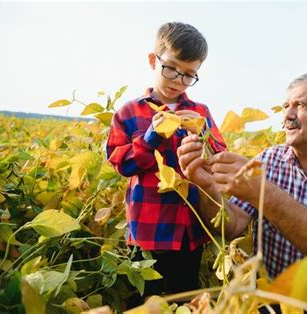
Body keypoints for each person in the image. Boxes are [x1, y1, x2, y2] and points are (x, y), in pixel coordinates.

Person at [177, 73, 307, 312]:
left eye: (300, 105)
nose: (287, 115)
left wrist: (264, 193)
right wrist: (208, 189)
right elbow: (231, 225)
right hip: (269, 297)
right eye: (286, 106)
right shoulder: (268, 159)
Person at [106, 22, 226, 304]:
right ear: (153, 60)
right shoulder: (129, 112)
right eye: (171, 68)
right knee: (145, 300)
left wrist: (203, 136)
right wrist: (151, 137)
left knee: (185, 297)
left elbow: (220, 155)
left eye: (188, 75)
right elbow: (120, 162)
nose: (177, 80)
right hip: (148, 229)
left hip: (190, 227)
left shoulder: (200, 112)